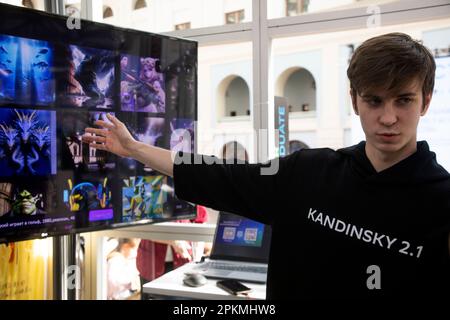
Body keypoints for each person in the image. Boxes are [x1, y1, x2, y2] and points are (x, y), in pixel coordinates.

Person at [83, 33, 450, 299]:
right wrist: (133, 148)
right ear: (354, 101)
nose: (388, 118)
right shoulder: (309, 172)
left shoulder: (442, 201)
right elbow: (217, 173)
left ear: (426, 101)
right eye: (374, 100)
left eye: (403, 100)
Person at [136, 205, 210, 300]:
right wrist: (174, 242)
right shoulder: (151, 194)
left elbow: (200, 222)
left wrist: (197, 260)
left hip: (182, 263)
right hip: (151, 263)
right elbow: (143, 228)